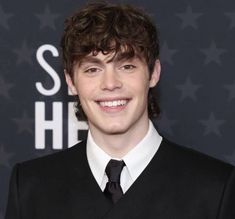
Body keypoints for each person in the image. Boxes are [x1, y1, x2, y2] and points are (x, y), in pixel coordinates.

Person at [5, 2, 235, 219]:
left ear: (153, 73)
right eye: (92, 69)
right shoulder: (30, 186)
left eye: (126, 66)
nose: (110, 83)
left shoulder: (215, 187)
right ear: (70, 81)